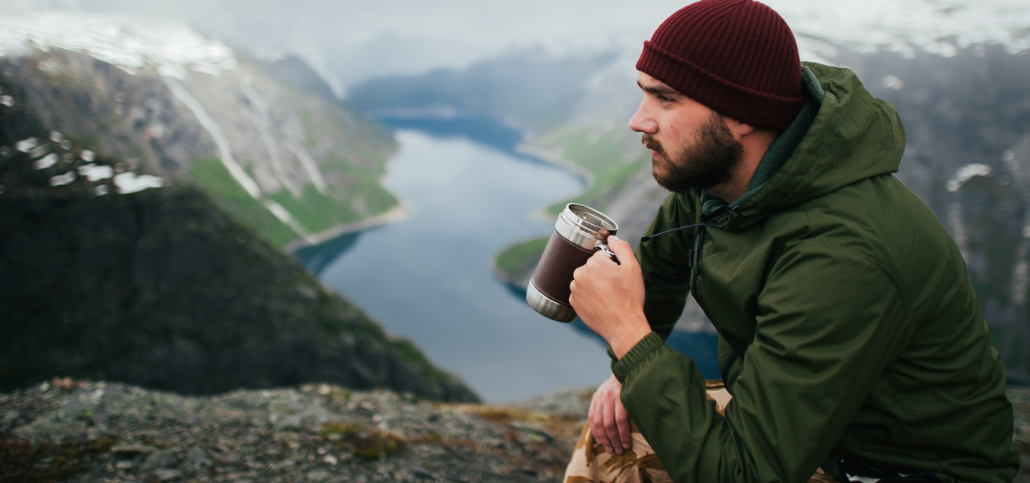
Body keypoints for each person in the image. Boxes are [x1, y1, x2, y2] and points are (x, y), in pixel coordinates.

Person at [561, 1, 1019, 482]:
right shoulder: (714, 182)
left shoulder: (841, 255)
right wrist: (627, 370)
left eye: (666, 99)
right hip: (826, 442)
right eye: (643, 95)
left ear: (741, 114)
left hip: (900, 472)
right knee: (611, 434)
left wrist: (630, 340)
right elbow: (661, 271)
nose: (639, 120)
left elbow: (745, 475)